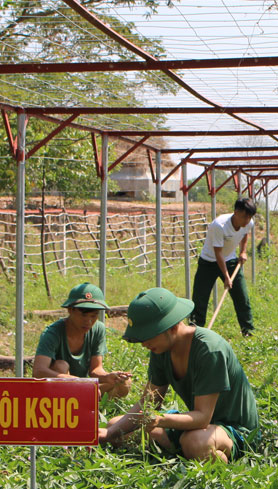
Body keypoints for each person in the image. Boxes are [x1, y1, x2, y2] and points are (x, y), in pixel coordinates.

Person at [99, 287, 260, 463]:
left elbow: (202, 418)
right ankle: (189, 453)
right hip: (196, 426)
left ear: (172, 326)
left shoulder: (209, 350)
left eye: (148, 336)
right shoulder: (160, 349)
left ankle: (211, 460)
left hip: (233, 429)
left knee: (196, 442)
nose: (144, 343)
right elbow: (149, 403)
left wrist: (160, 419)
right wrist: (109, 433)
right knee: (116, 427)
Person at [32, 282, 131, 397]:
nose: (88, 321)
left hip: (83, 386)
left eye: (93, 316)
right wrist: (77, 382)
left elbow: (95, 369)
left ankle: (90, 402)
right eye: (83, 315)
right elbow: (39, 371)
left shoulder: (98, 329)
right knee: (61, 365)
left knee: (124, 384)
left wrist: (107, 377)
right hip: (59, 388)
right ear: (70, 310)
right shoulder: (52, 333)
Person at [191, 197, 257, 336]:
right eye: (244, 216)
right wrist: (227, 277)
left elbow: (245, 234)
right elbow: (218, 253)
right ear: (236, 212)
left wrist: (243, 251)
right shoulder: (219, 225)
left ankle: (248, 330)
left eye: (249, 217)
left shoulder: (248, 223)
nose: (247, 220)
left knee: (241, 297)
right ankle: (194, 332)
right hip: (209, 262)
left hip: (230, 260)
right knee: (200, 298)